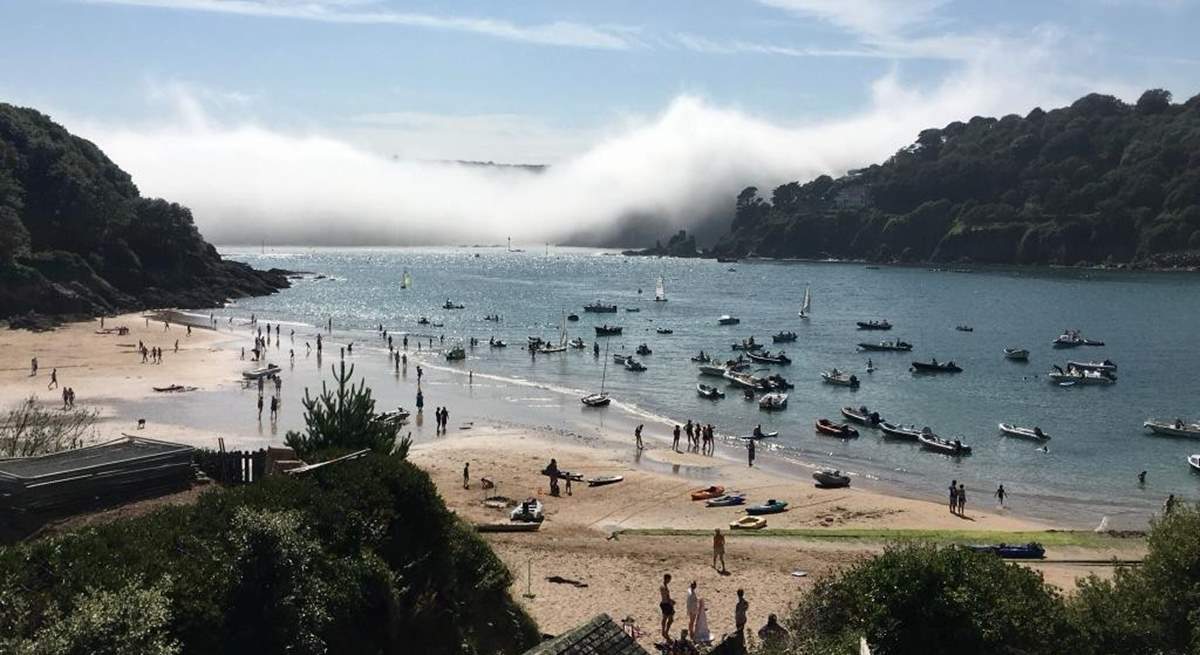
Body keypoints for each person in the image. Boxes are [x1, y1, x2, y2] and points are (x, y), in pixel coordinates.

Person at [659, 574, 675, 640]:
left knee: (664, 618)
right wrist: (672, 602)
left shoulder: (662, 586)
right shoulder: (664, 587)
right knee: (670, 620)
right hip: (667, 604)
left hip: (663, 604)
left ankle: (663, 631)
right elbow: (667, 598)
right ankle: (666, 632)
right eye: (669, 579)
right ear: (667, 579)